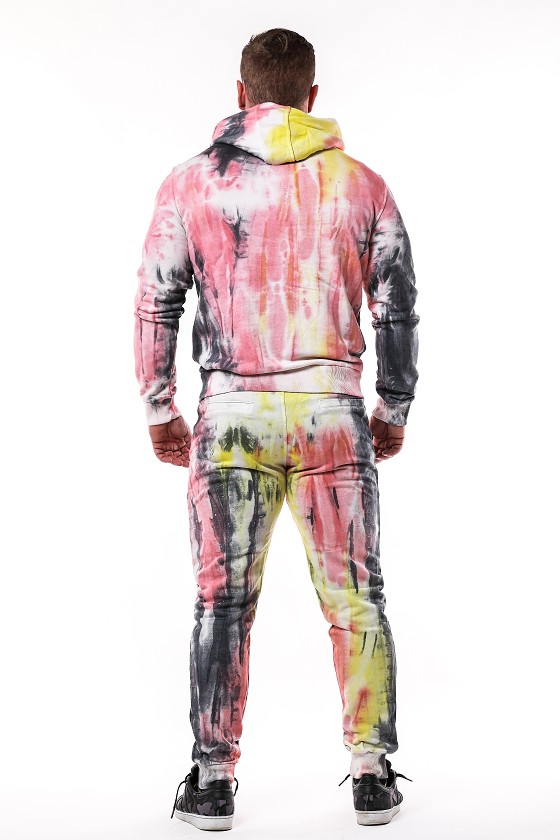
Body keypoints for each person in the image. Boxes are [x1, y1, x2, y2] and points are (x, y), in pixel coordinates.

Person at [134, 27, 419, 831]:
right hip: (332, 416)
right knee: (357, 599)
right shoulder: (362, 186)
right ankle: (372, 775)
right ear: (312, 97)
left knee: (221, 603)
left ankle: (211, 781)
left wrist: (160, 408)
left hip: (231, 421)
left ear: (241, 94)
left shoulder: (191, 185)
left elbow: (156, 300)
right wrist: (391, 409)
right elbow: (397, 305)